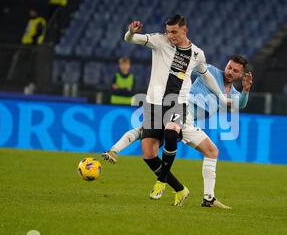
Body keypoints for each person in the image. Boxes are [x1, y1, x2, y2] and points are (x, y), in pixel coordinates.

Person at [102, 55, 253, 208]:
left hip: (186, 121)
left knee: (210, 151)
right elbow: (188, 69)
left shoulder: (233, 92)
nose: (229, 72)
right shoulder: (211, 71)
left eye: (235, 71)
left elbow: (239, 104)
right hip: (179, 110)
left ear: (241, 74)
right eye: (229, 67)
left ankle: (207, 198)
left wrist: (246, 90)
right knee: (147, 132)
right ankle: (117, 152)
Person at [120, 15, 229, 206]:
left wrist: (221, 96)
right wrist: (131, 31)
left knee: (171, 131)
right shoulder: (159, 41)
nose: (170, 35)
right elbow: (130, 39)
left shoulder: (196, 53)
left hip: (178, 102)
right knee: (148, 153)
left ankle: (162, 181)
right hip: (155, 104)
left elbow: (206, 76)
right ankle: (178, 188)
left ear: (185, 30)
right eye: (168, 31)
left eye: (174, 32)